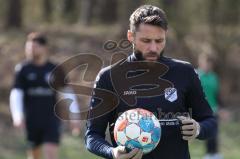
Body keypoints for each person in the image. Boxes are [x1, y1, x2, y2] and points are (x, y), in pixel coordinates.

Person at [85, 5, 217, 159]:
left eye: (159, 40)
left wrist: (199, 129)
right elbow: (92, 136)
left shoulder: (184, 72)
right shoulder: (109, 77)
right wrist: (112, 152)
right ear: (130, 36)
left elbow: (210, 122)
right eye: (146, 41)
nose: (153, 48)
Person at [9, 32, 80, 159]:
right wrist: (17, 116)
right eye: (28, 47)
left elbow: (67, 93)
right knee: (34, 156)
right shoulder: (22, 69)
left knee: (50, 153)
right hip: (31, 119)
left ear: (44, 48)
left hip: (51, 119)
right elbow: (16, 93)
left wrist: (74, 116)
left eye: (34, 47)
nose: (31, 50)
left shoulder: (55, 69)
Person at [197, 53, 223, 159]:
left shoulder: (214, 77)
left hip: (214, 109)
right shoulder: (196, 75)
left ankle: (215, 153)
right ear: (201, 63)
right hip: (203, 110)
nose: (208, 66)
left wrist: (221, 108)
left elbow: (217, 95)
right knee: (207, 133)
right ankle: (208, 154)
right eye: (206, 63)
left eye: (210, 64)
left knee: (215, 132)